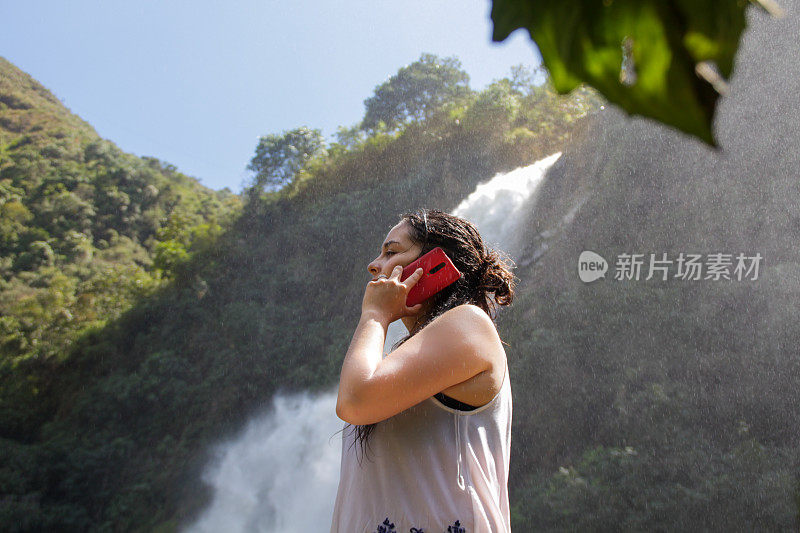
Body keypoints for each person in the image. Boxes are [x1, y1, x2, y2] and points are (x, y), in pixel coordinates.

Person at [329, 207, 516, 533]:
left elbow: (355, 401)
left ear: (436, 264)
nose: (374, 265)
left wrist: (374, 315)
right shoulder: (408, 357)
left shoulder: (468, 324)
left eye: (392, 251)